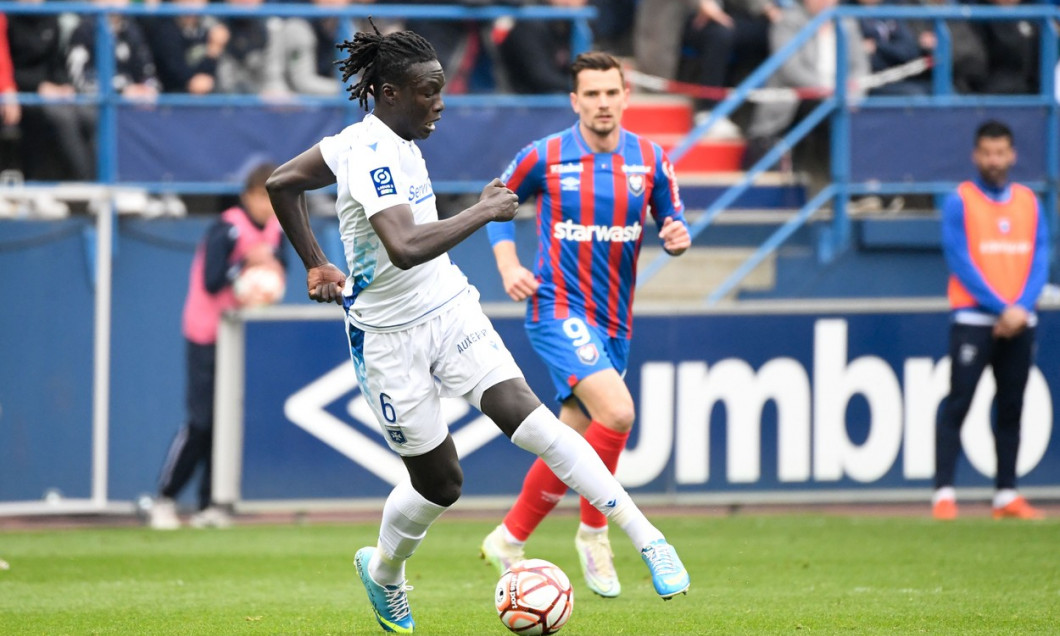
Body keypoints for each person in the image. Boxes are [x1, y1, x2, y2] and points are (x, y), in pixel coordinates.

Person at [264, 24, 690, 634]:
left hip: (448, 309)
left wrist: (316, 262)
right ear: (388, 92)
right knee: (441, 484)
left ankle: (649, 541)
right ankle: (384, 572)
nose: (440, 102)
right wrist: (483, 210)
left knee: (534, 421)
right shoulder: (369, 154)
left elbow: (285, 184)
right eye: (427, 91)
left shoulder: (383, 137)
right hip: (387, 339)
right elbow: (406, 246)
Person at [479, 51, 691, 600]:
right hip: (556, 308)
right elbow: (493, 202)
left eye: (610, 92)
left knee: (570, 437)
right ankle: (596, 532)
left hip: (615, 320)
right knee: (618, 413)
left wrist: (676, 234)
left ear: (626, 96)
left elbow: (671, 214)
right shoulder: (545, 156)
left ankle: (509, 537)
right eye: (591, 94)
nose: (602, 103)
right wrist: (508, 265)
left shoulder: (650, 159)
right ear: (575, 101)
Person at [150, 162, 285, 530]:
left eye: (273, 197)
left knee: (226, 422)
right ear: (247, 195)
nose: (268, 206)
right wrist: (244, 263)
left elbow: (281, 268)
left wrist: (269, 279)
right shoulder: (226, 227)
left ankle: (209, 504)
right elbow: (211, 281)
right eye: (261, 196)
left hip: (240, 336)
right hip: (207, 332)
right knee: (201, 421)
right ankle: (163, 498)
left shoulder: (276, 229)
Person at [932, 120, 1049, 522]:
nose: (994, 160)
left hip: (1019, 321)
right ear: (975, 155)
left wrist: (1021, 308)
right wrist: (1003, 308)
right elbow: (960, 261)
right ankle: (944, 494)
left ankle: (1006, 495)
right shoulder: (959, 201)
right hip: (974, 319)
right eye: (987, 152)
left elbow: (1039, 258)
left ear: (1012, 155)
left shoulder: (1029, 202)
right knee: (958, 402)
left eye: (1001, 153)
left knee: (1012, 406)